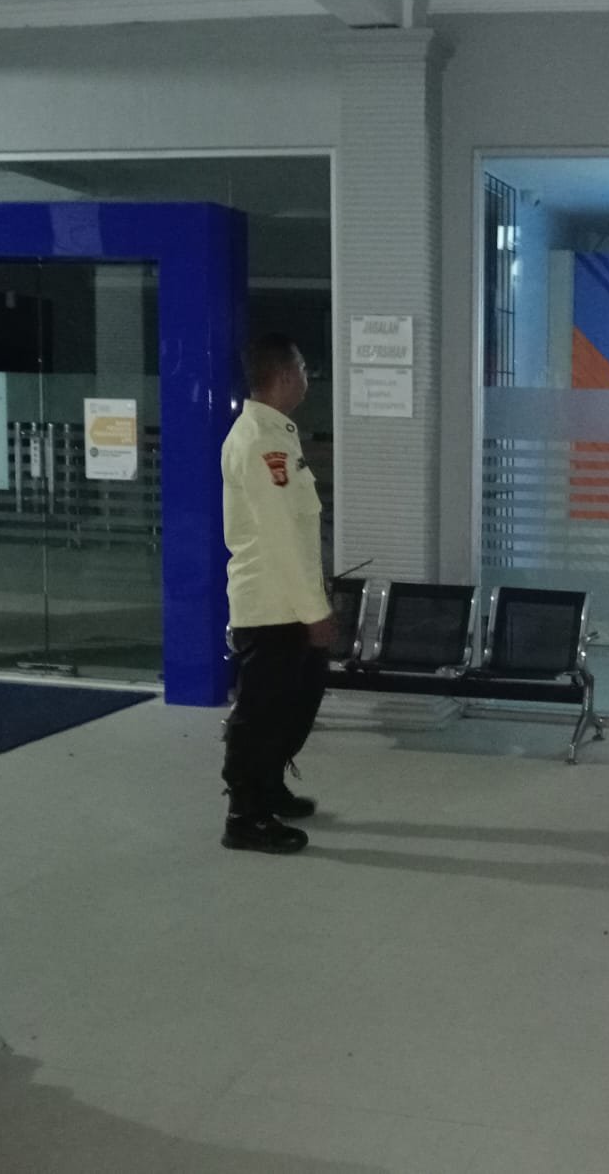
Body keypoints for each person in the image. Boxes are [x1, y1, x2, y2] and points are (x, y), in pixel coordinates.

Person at [219, 332, 335, 854]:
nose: (308, 378)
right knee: (261, 712)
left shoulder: (275, 435)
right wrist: (316, 612)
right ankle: (245, 815)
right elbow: (283, 537)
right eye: (305, 368)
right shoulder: (260, 443)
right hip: (271, 605)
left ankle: (268, 787)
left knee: (294, 702)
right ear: (285, 375)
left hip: (288, 601)